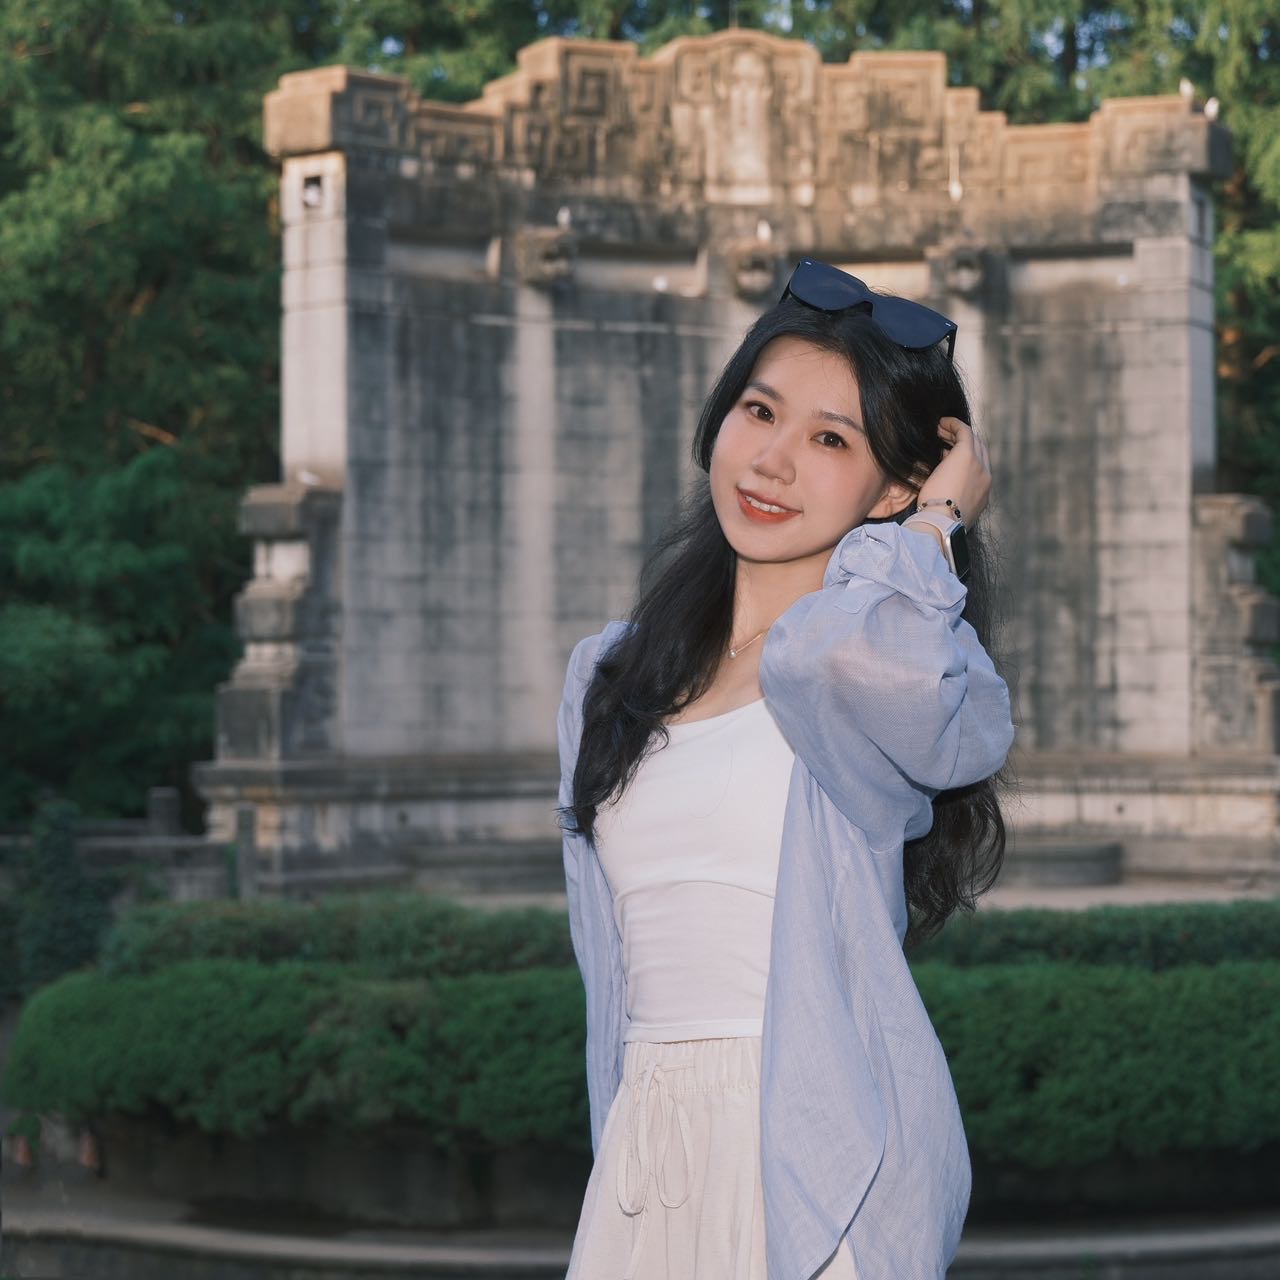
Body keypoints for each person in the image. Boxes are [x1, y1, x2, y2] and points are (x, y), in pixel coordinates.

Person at [556, 258, 1016, 1280]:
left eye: (829, 440)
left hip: (819, 1167)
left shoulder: (852, 680)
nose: (771, 462)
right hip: (644, 1157)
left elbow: (879, 673)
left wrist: (934, 527)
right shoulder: (607, 676)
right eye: (758, 412)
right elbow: (608, 965)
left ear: (892, 485)